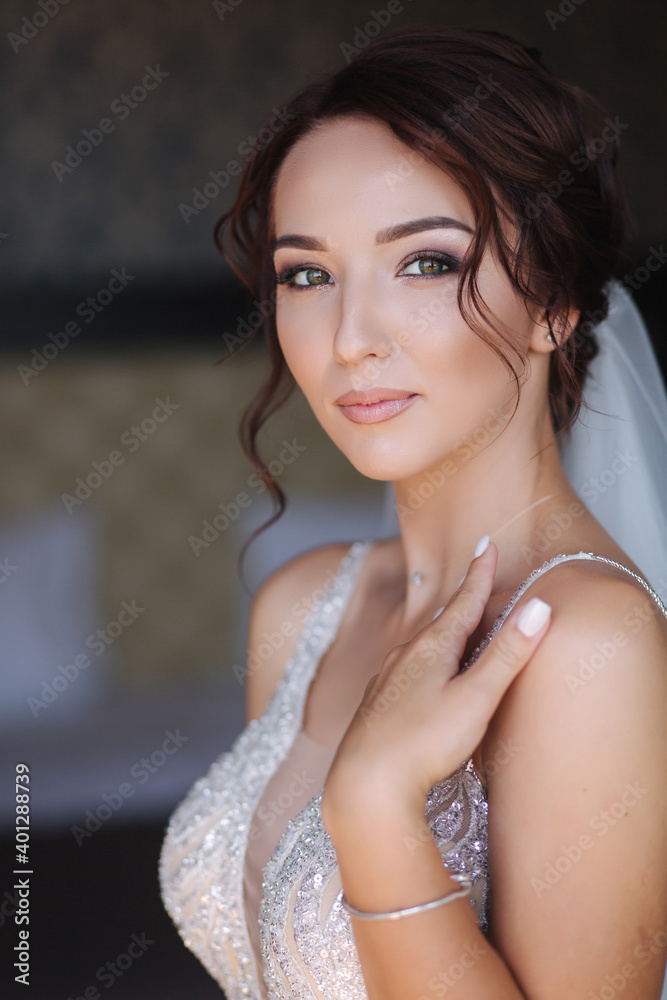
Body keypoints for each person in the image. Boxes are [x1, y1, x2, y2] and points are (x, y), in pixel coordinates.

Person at [159, 25, 667, 999]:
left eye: (426, 262)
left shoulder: (586, 644)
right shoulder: (304, 605)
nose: (350, 339)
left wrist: (377, 807)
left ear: (555, 301)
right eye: (307, 274)